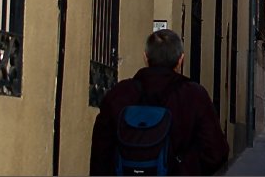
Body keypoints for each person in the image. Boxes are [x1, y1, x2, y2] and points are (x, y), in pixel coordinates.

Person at [90, 29, 229, 175]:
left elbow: (100, 152)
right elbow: (216, 153)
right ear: (181, 60)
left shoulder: (119, 94)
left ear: (145, 57)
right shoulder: (194, 96)